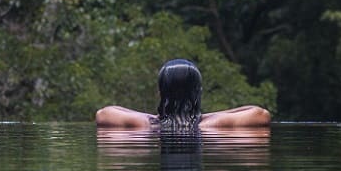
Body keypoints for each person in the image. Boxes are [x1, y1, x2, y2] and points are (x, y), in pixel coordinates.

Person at [95, 59, 271, 129]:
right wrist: (203, 116)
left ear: (160, 92)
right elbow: (261, 113)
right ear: (198, 92)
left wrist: (158, 117)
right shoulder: (210, 125)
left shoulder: (146, 125)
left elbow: (104, 113)